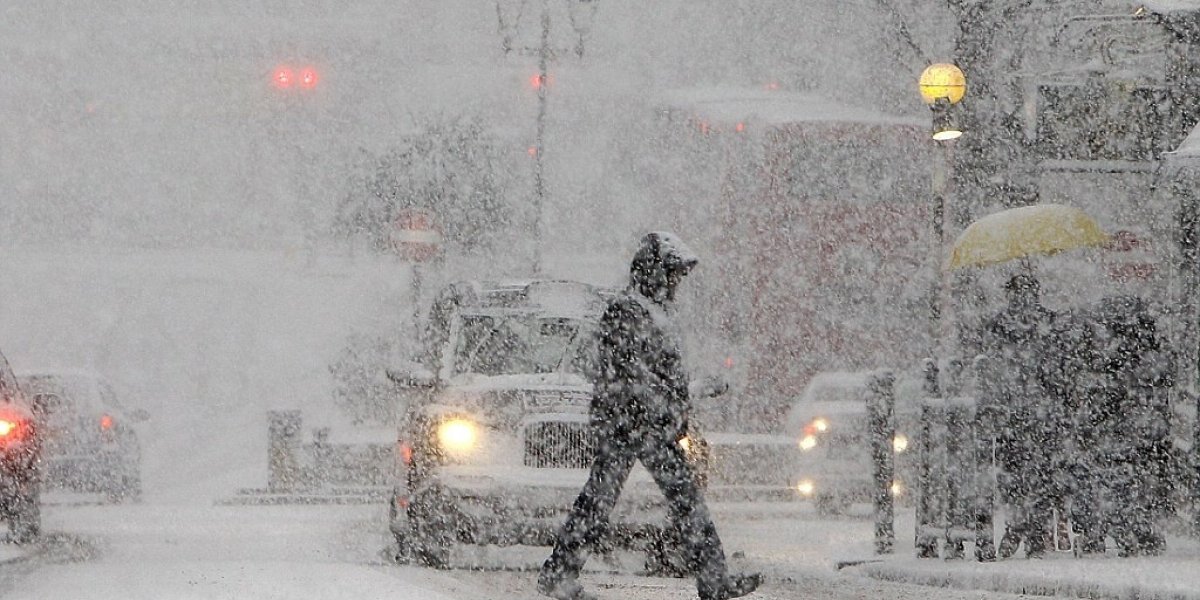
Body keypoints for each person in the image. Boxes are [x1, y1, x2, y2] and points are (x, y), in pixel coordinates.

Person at [538, 232, 761, 600]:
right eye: (673, 275)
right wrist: (668, 403)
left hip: (645, 423)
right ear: (655, 273)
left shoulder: (653, 313)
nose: (676, 284)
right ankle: (712, 578)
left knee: (616, 499)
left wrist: (692, 390)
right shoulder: (627, 311)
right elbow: (632, 375)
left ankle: (561, 571)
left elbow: (656, 377)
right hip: (632, 424)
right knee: (667, 500)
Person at [982, 273, 1061, 559]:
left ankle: (1022, 528)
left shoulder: (999, 325)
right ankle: (1031, 531)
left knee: (1017, 476)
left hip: (1017, 412)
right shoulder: (1047, 323)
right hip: (1033, 412)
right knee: (1032, 476)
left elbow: (991, 369)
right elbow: (1057, 368)